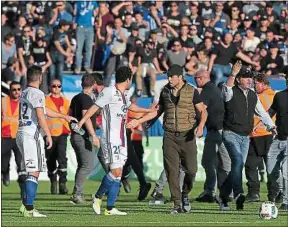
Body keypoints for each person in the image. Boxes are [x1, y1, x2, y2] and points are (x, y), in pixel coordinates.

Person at [127, 64, 208, 214]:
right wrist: (139, 121)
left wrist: (201, 126)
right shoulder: (165, 91)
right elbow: (157, 110)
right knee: (172, 171)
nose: (169, 79)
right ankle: (176, 204)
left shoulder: (192, 91)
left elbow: (203, 111)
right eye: (168, 76)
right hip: (170, 136)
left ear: (180, 77)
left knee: (191, 170)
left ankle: (184, 195)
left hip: (187, 136)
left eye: (172, 76)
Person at [76, 66, 156, 215]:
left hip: (122, 138)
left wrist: (148, 111)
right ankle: (98, 196)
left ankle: (110, 208)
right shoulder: (109, 92)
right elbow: (94, 107)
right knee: (115, 171)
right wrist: (82, 122)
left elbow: (131, 107)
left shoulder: (123, 94)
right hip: (111, 138)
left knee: (118, 174)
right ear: (128, 79)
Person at [16, 66, 74, 217]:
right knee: (34, 171)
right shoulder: (38, 93)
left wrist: (63, 116)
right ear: (40, 78)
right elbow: (41, 116)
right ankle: (29, 209)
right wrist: (48, 134)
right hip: (31, 135)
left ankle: (25, 205)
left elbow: (45, 110)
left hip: (21, 132)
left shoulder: (24, 92)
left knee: (31, 171)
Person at [219, 62, 276, 211]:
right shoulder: (231, 91)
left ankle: (224, 195)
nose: (249, 80)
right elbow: (226, 90)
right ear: (238, 79)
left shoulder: (252, 95)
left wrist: (271, 125)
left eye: (250, 77)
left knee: (238, 166)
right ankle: (238, 194)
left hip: (245, 136)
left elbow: (262, 113)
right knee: (237, 161)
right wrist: (232, 74)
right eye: (245, 77)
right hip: (230, 133)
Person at [193, 70, 230, 203]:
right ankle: (227, 192)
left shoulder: (207, 90)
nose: (195, 81)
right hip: (222, 130)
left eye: (196, 78)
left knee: (208, 161)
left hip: (216, 131)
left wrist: (197, 124)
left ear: (202, 78)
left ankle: (210, 191)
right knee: (224, 163)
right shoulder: (213, 88)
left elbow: (201, 109)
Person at [69, 74, 100, 204]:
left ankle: (77, 193)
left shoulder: (76, 98)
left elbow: (69, 115)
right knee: (87, 165)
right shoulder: (86, 99)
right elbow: (85, 116)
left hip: (75, 135)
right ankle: (77, 194)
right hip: (82, 136)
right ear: (93, 85)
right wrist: (93, 135)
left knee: (83, 165)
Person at [245, 74, 275, 202]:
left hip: (259, 134)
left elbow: (261, 114)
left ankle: (253, 193)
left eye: (255, 83)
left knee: (251, 165)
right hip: (269, 135)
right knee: (272, 167)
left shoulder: (258, 97)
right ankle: (275, 194)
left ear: (263, 83)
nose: (253, 86)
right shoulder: (275, 95)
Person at [45, 79, 71, 195]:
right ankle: (53, 181)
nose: (56, 88)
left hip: (62, 133)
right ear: (50, 87)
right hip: (49, 134)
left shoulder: (66, 102)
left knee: (62, 158)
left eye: (58, 86)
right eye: (54, 86)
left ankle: (62, 184)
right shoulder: (44, 100)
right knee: (50, 159)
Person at [1, 81, 26, 199]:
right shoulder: (3, 101)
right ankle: (5, 172)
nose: (16, 92)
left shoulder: (24, 103)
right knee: (3, 164)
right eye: (14, 89)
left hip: (19, 138)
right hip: (5, 137)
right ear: (10, 91)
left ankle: (23, 191)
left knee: (21, 166)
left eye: (18, 89)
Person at [267, 75, 288, 211]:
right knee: (271, 169)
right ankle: (281, 191)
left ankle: (286, 201)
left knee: (286, 171)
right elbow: (270, 112)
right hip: (278, 138)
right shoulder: (279, 95)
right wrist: (265, 124)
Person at [74, 0, 98, 74]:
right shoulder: (79, 2)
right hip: (80, 27)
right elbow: (75, 13)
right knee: (79, 48)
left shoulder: (94, 2)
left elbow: (96, 12)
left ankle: (87, 66)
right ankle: (78, 67)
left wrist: (95, 16)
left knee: (89, 49)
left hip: (90, 27)